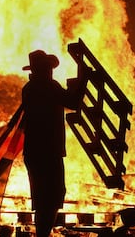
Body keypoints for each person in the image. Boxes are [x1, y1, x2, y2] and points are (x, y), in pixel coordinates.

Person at [21, 50, 88, 237]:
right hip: (48, 152)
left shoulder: (29, 88)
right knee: (52, 198)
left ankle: (42, 234)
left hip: (34, 153)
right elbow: (73, 102)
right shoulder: (48, 87)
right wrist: (84, 79)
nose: (51, 71)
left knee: (43, 200)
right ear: (44, 69)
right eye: (48, 68)